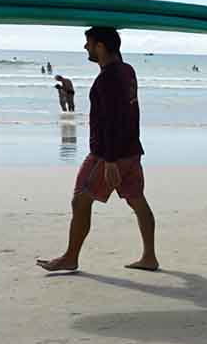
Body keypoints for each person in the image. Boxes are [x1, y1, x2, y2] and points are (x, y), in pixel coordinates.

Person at [37, 27, 158, 272]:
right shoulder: (127, 71)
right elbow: (127, 114)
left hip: (108, 154)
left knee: (81, 199)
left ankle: (71, 257)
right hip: (131, 150)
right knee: (137, 200)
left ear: (101, 47)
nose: (85, 48)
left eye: (89, 43)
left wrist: (111, 161)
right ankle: (149, 257)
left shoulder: (107, 79)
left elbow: (112, 119)